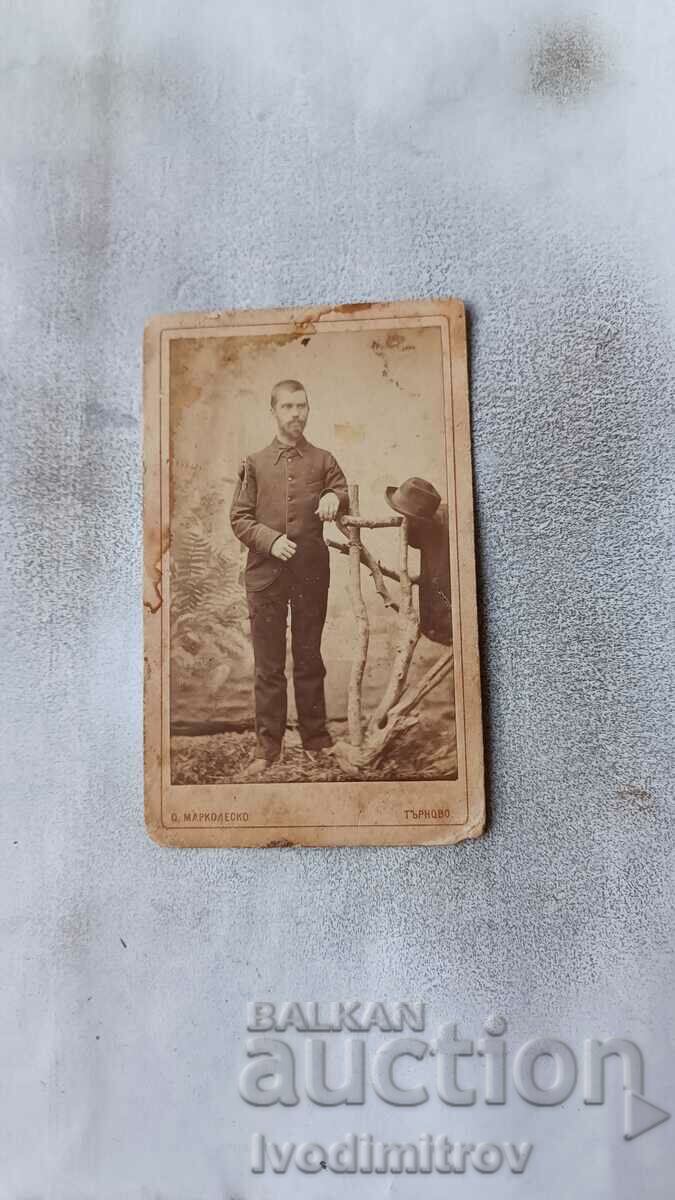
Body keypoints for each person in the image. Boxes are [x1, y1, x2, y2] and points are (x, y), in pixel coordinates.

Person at [230, 379, 349, 776]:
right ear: (273, 412)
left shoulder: (323, 459)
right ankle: (268, 749)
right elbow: (239, 518)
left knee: (309, 659)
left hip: (310, 576)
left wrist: (335, 496)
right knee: (268, 666)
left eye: (302, 405)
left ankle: (316, 741)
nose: (296, 414)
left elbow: (341, 489)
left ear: (309, 410)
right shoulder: (254, 463)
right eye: (287, 407)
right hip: (265, 577)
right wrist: (270, 540)